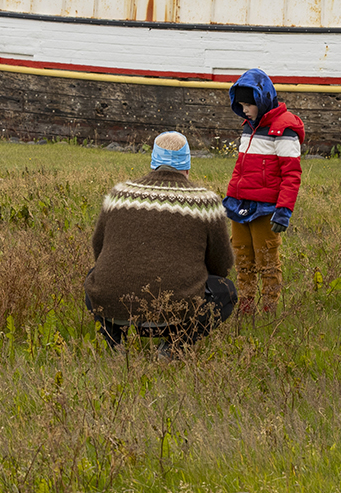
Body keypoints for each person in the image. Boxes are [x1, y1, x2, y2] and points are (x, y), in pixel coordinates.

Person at [84, 132, 236, 349]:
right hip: (176, 314)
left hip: (114, 307)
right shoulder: (206, 202)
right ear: (187, 166)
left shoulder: (118, 194)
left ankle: (115, 342)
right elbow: (222, 266)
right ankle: (174, 347)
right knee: (226, 290)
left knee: (94, 276)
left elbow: (98, 250)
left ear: (153, 162)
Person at [223, 69, 304, 314]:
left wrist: (283, 210)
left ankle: (269, 309)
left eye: (249, 104)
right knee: (242, 258)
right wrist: (230, 197)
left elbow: (292, 175)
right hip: (240, 205)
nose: (245, 109)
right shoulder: (248, 127)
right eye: (241, 104)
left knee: (267, 260)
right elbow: (240, 169)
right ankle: (245, 307)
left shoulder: (284, 130)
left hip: (265, 209)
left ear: (263, 99)